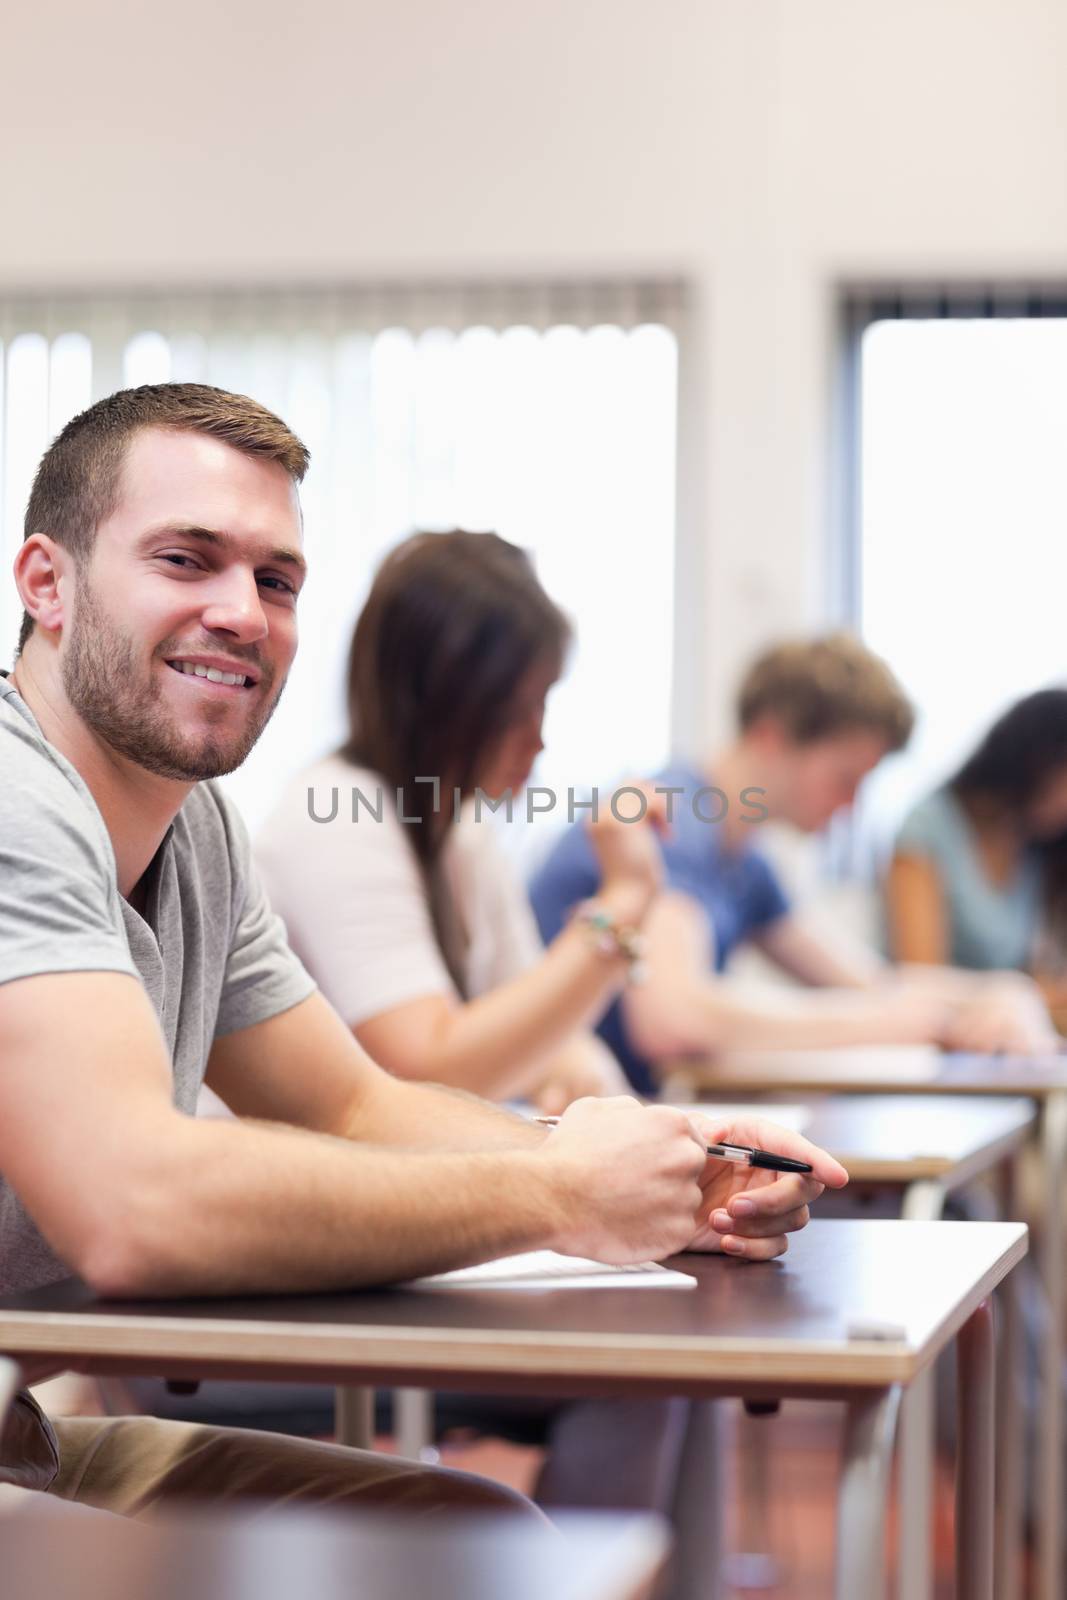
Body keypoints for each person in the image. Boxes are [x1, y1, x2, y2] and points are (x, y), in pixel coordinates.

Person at [0, 383, 846, 1522]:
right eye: (186, 559)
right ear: (44, 584)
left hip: (31, 1432)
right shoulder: (24, 796)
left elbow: (355, 1103)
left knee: (478, 1531)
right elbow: (131, 1203)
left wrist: (661, 1169)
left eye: (275, 579)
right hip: (85, 1387)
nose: (243, 611)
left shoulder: (203, 831)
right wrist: (556, 1185)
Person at [531, 634, 1057, 1095]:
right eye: (845, 779)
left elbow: (869, 983)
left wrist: (1001, 993)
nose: (850, 806)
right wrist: (890, 1022)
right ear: (771, 736)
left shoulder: (745, 861)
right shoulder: (673, 821)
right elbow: (675, 1019)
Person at [257, 529, 652, 1116]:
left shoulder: (459, 826)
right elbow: (428, 1070)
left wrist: (574, 1062)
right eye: (518, 711)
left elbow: (542, 1033)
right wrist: (626, 896)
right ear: (443, 705)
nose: (539, 740)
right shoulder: (338, 812)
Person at [886, 688, 1067, 1031]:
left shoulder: (1036, 847)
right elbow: (920, 978)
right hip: (931, 1037)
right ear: (1034, 760)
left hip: (1005, 1033)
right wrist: (1032, 994)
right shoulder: (928, 827)